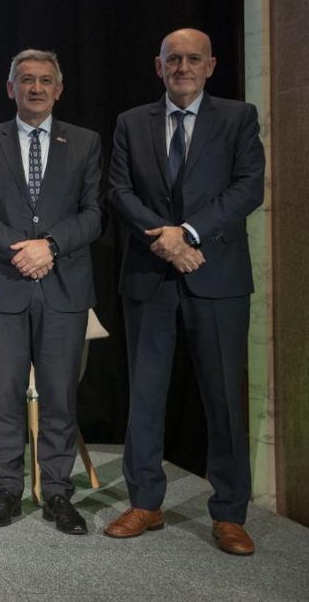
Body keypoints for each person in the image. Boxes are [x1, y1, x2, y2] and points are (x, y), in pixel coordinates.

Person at [105, 28, 264, 556]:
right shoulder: (132, 122)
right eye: (173, 59)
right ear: (158, 66)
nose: (183, 67)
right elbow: (119, 192)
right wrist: (167, 243)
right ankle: (144, 503)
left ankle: (230, 513)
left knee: (222, 399)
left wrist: (189, 234)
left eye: (193, 59)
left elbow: (248, 186)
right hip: (150, 278)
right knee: (145, 397)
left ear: (211, 65)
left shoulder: (238, 118)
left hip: (217, 277)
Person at [0, 49, 102, 534]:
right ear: (10, 88)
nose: (36, 88)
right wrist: (22, 249)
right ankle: (6, 491)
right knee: (4, 394)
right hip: (3, 283)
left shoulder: (84, 142)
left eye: (45, 81)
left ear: (59, 90)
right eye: (26, 80)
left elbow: (93, 214)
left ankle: (58, 493)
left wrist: (51, 247)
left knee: (60, 394)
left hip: (63, 286)